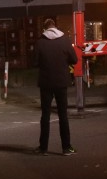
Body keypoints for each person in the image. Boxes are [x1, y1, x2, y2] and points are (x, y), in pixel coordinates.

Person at [33, 18, 78, 156]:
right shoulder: (64, 40)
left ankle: (43, 148)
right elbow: (74, 59)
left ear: (45, 29)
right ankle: (66, 147)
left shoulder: (40, 42)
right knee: (63, 115)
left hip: (46, 82)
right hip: (61, 82)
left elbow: (35, 62)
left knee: (45, 115)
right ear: (55, 27)